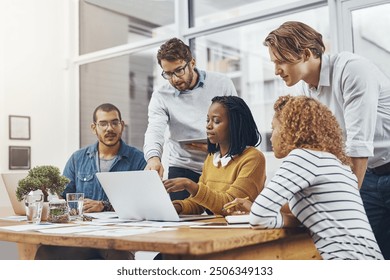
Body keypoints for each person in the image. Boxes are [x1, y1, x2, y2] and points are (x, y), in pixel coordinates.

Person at [263, 21, 390, 259]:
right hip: (369, 174)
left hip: (373, 165)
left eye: (280, 61)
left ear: (306, 54)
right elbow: (321, 150)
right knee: (371, 253)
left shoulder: (352, 70)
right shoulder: (306, 91)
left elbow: (357, 144)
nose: (276, 70)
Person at [224, 95, 383, 260]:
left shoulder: (302, 157)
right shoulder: (334, 162)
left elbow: (259, 217)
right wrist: (256, 206)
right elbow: (316, 212)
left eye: (274, 129)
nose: (271, 137)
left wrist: (290, 220)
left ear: (289, 129)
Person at [35, 103, 146, 260]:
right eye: (103, 123)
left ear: (122, 126)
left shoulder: (138, 160)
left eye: (115, 123)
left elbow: (143, 204)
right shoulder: (77, 158)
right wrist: (49, 197)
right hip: (82, 235)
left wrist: (103, 205)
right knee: (46, 251)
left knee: (117, 257)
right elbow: (62, 197)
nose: (110, 128)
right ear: (94, 128)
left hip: (119, 239)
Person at [144, 37, 237, 201]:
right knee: (179, 214)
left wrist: (214, 148)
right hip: (182, 165)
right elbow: (154, 130)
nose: (174, 79)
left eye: (179, 70)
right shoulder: (161, 95)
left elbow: (238, 123)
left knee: (221, 214)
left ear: (192, 63)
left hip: (219, 164)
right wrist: (153, 158)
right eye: (168, 74)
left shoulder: (222, 83)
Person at [163, 96, 266, 216]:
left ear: (235, 124)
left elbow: (230, 205)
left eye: (216, 121)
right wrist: (174, 208)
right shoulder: (212, 159)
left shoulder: (253, 158)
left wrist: (189, 184)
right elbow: (200, 203)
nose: (208, 126)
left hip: (239, 230)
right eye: (208, 120)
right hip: (217, 228)